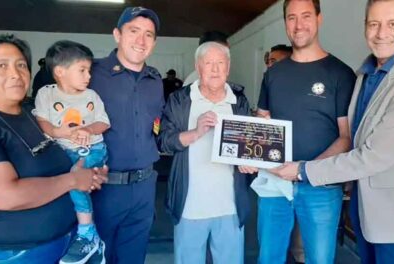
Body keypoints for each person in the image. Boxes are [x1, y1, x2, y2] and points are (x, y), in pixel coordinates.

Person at [268, 0, 394, 263]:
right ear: (365, 27)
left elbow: (373, 155)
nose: (382, 33)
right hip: (365, 210)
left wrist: (303, 170)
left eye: (392, 24)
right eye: (374, 24)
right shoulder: (368, 72)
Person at [0, 34, 107, 264]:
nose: (15, 74)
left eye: (21, 65)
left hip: (67, 242)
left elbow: (63, 162)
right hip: (20, 253)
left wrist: (91, 175)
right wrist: (73, 181)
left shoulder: (30, 113)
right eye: (2, 66)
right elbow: (5, 195)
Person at [241, 0, 356, 263]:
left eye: (306, 16)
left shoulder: (340, 73)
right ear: (285, 23)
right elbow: (262, 124)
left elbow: (345, 136)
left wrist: (305, 170)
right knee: (269, 257)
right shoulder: (273, 75)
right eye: (291, 17)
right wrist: (248, 153)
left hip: (321, 186)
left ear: (319, 18)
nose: (298, 24)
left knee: (318, 259)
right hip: (274, 183)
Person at [158, 41, 251, 264]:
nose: (216, 69)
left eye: (221, 63)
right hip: (190, 206)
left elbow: (247, 146)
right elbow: (164, 142)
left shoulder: (238, 101)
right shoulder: (180, 100)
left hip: (230, 206)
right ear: (198, 67)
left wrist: (250, 161)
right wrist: (196, 132)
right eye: (209, 63)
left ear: (228, 67)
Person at [88, 6, 164, 264]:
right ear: (117, 35)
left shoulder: (155, 81)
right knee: (98, 257)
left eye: (148, 34)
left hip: (144, 188)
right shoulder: (91, 75)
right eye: (133, 31)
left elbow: (155, 129)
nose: (141, 41)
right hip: (102, 189)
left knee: (134, 257)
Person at [33, 40, 110, 264]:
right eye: (82, 70)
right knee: (58, 183)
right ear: (60, 71)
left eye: (89, 71)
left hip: (92, 150)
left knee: (75, 181)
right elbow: (42, 122)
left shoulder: (92, 96)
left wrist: (87, 130)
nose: (88, 76)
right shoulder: (46, 95)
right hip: (63, 151)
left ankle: (88, 233)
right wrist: (60, 132)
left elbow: (103, 123)